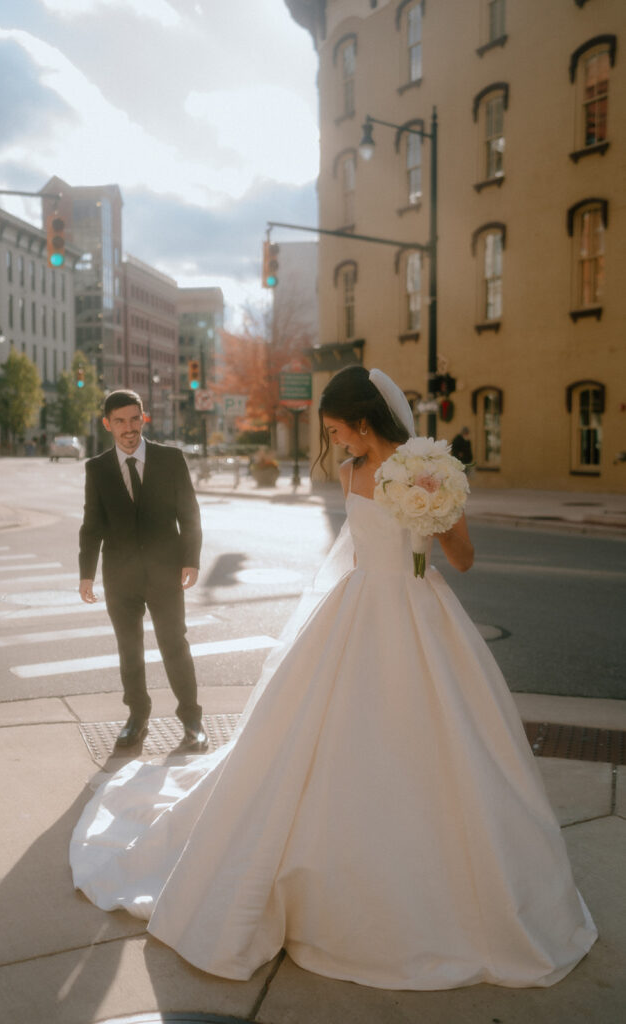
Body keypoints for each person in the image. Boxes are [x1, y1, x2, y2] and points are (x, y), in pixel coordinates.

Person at [71, 367, 596, 991]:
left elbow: (462, 558)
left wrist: (438, 507)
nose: (337, 442)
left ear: (365, 420)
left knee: (446, 740)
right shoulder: (349, 475)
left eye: (339, 429)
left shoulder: (429, 466)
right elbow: (353, 553)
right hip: (356, 614)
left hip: (419, 613)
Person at [78, 388, 207, 752]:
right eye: (119, 421)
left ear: (143, 418)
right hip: (120, 578)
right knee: (129, 648)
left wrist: (191, 560)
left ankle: (192, 719)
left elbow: (189, 514)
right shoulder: (97, 469)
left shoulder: (171, 459)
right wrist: (86, 572)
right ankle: (137, 717)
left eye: (135, 419)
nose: (129, 427)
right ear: (107, 424)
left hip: (165, 573)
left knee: (174, 644)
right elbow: (92, 524)